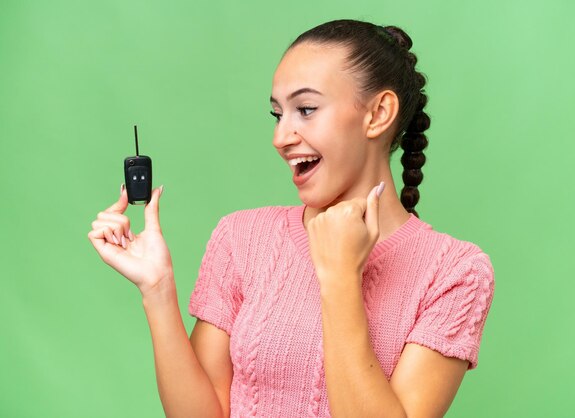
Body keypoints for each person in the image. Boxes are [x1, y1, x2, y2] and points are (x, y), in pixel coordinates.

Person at [88, 19, 495, 418]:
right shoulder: (241, 238)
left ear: (378, 113)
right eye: (277, 114)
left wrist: (339, 276)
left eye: (306, 109)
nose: (281, 138)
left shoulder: (455, 272)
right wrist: (157, 289)